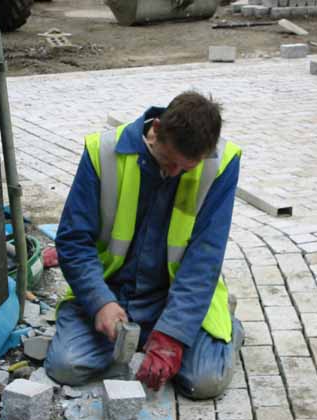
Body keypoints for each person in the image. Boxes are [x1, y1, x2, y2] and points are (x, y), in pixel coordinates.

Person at [45, 91, 244, 400]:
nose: (174, 173)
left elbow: (204, 257)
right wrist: (99, 301)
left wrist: (173, 333)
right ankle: (135, 332)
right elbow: (73, 240)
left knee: (204, 382)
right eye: (168, 161)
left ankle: (228, 329)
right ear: (156, 131)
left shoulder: (220, 163)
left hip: (173, 295)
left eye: (186, 168)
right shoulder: (104, 152)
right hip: (112, 289)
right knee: (65, 367)